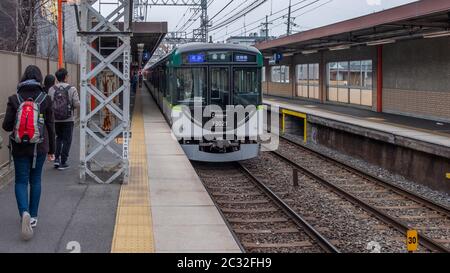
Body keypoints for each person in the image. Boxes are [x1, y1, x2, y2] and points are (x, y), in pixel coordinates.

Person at [2, 65, 55, 240]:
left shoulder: (14, 98)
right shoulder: (45, 98)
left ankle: (23, 212)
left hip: (19, 147)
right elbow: (50, 126)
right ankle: (32, 217)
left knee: (21, 181)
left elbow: (7, 126)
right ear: (39, 78)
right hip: (39, 146)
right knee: (36, 180)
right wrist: (52, 150)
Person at [48, 68, 80, 170]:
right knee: (67, 140)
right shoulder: (72, 89)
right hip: (68, 119)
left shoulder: (52, 89)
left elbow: (49, 104)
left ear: (57, 78)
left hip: (55, 119)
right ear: (66, 77)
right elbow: (76, 104)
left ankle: (56, 159)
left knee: (58, 138)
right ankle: (63, 161)